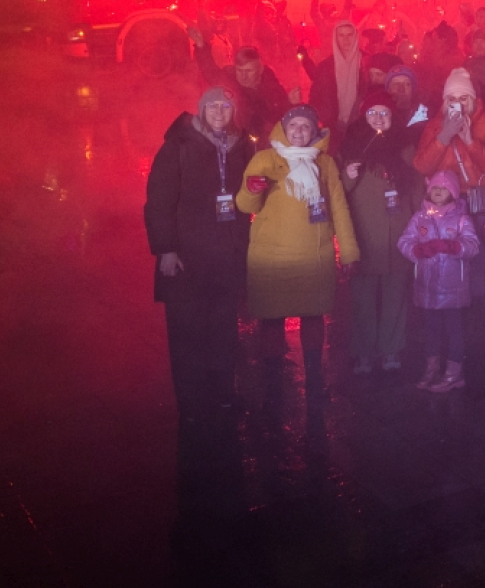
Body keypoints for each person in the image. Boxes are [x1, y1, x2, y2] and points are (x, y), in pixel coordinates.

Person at [144, 87, 255, 421]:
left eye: (225, 106)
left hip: (226, 255)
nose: (219, 112)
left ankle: (222, 393)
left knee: (223, 329)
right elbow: (159, 201)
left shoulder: (243, 146)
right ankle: (191, 403)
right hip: (187, 258)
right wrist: (166, 249)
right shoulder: (178, 146)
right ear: (200, 110)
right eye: (212, 107)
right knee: (187, 332)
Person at [237, 105, 358, 394]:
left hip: (312, 254)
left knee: (313, 315)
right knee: (272, 319)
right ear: (284, 129)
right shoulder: (265, 159)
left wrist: (349, 251)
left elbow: (339, 207)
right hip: (272, 256)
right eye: (294, 126)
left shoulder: (325, 163)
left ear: (315, 131)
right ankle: (272, 379)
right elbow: (245, 206)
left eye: (306, 126)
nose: (299, 132)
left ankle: (315, 376)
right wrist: (252, 190)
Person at [339, 93, 418, 374]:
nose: (379, 119)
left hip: (398, 232)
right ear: (363, 116)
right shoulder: (350, 149)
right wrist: (347, 175)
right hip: (365, 235)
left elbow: (416, 188)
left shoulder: (404, 148)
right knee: (363, 298)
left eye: (384, 113)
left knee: (396, 296)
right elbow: (338, 194)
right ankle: (363, 352)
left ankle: (391, 349)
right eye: (372, 112)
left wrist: (418, 227)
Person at [397, 170, 481, 392]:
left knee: (454, 330)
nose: (438, 191)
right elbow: (404, 241)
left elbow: (472, 246)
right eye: (434, 187)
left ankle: (454, 373)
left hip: (453, 288)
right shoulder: (419, 218)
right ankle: (431, 368)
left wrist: (453, 246)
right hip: (427, 287)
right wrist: (417, 249)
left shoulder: (462, 219)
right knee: (431, 329)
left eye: (443, 188)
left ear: (452, 192)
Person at [413, 69, 485, 210]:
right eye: (452, 99)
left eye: (463, 98)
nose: (458, 104)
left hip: (476, 197)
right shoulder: (434, 126)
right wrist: (443, 137)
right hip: (444, 199)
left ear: (472, 99)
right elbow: (422, 166)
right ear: (445, 101)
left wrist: (471, 143)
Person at [194, 36, 291, 146]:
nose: (243, 76)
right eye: (239, 71)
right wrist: (201, 46)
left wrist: (292, 102)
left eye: (249, 71)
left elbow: (284, 111)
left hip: (267, 143)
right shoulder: (230, 81)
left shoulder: (270, 83)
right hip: (238, 143)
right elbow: (210, 72)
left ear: (260, 69)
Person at [305, 19, 365, 148]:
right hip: (332, 127)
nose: (346, 40)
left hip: (360, 126)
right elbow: (316, 97)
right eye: (341, 36)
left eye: (349, 35)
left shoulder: (366, 64)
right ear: (335, 38)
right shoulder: (326, 67)